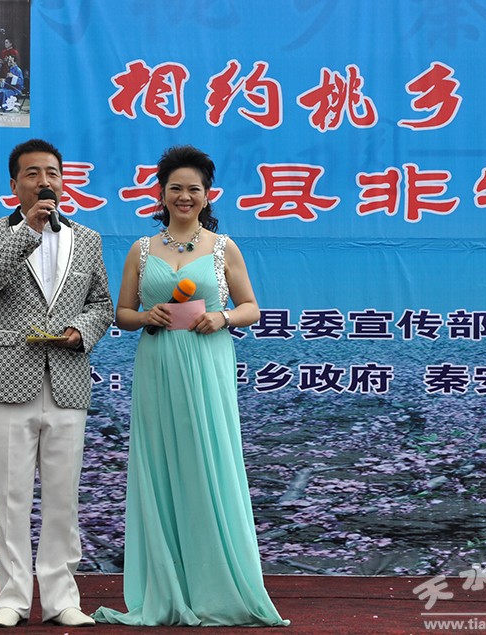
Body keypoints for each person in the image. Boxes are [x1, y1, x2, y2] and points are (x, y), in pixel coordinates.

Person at [92, 146, 290, 627]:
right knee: (161, 465)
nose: (184, 196)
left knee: (208, 459)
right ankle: (167, 585)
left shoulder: (223, 248)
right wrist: (147, 316)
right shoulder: (142, 250)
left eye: (193, 189)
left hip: (207, 361)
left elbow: (251, 307)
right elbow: (122, 313)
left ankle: (217, 584)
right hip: (159, 363)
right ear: (161, 194)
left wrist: (223, 317)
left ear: (207, 195)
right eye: (175, 188)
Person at [0, 138, 112, 628]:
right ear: (15, 184)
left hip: (68, 378)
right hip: (11, 378)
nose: (44, 181)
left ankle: (61, 598)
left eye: (52, 173)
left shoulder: (86, 238)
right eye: (32, 174)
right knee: (11, 495)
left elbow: (101, 304)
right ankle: (11, 599)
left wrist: (81, 330)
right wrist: (26, 231)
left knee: (62, 495)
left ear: (63, 181)